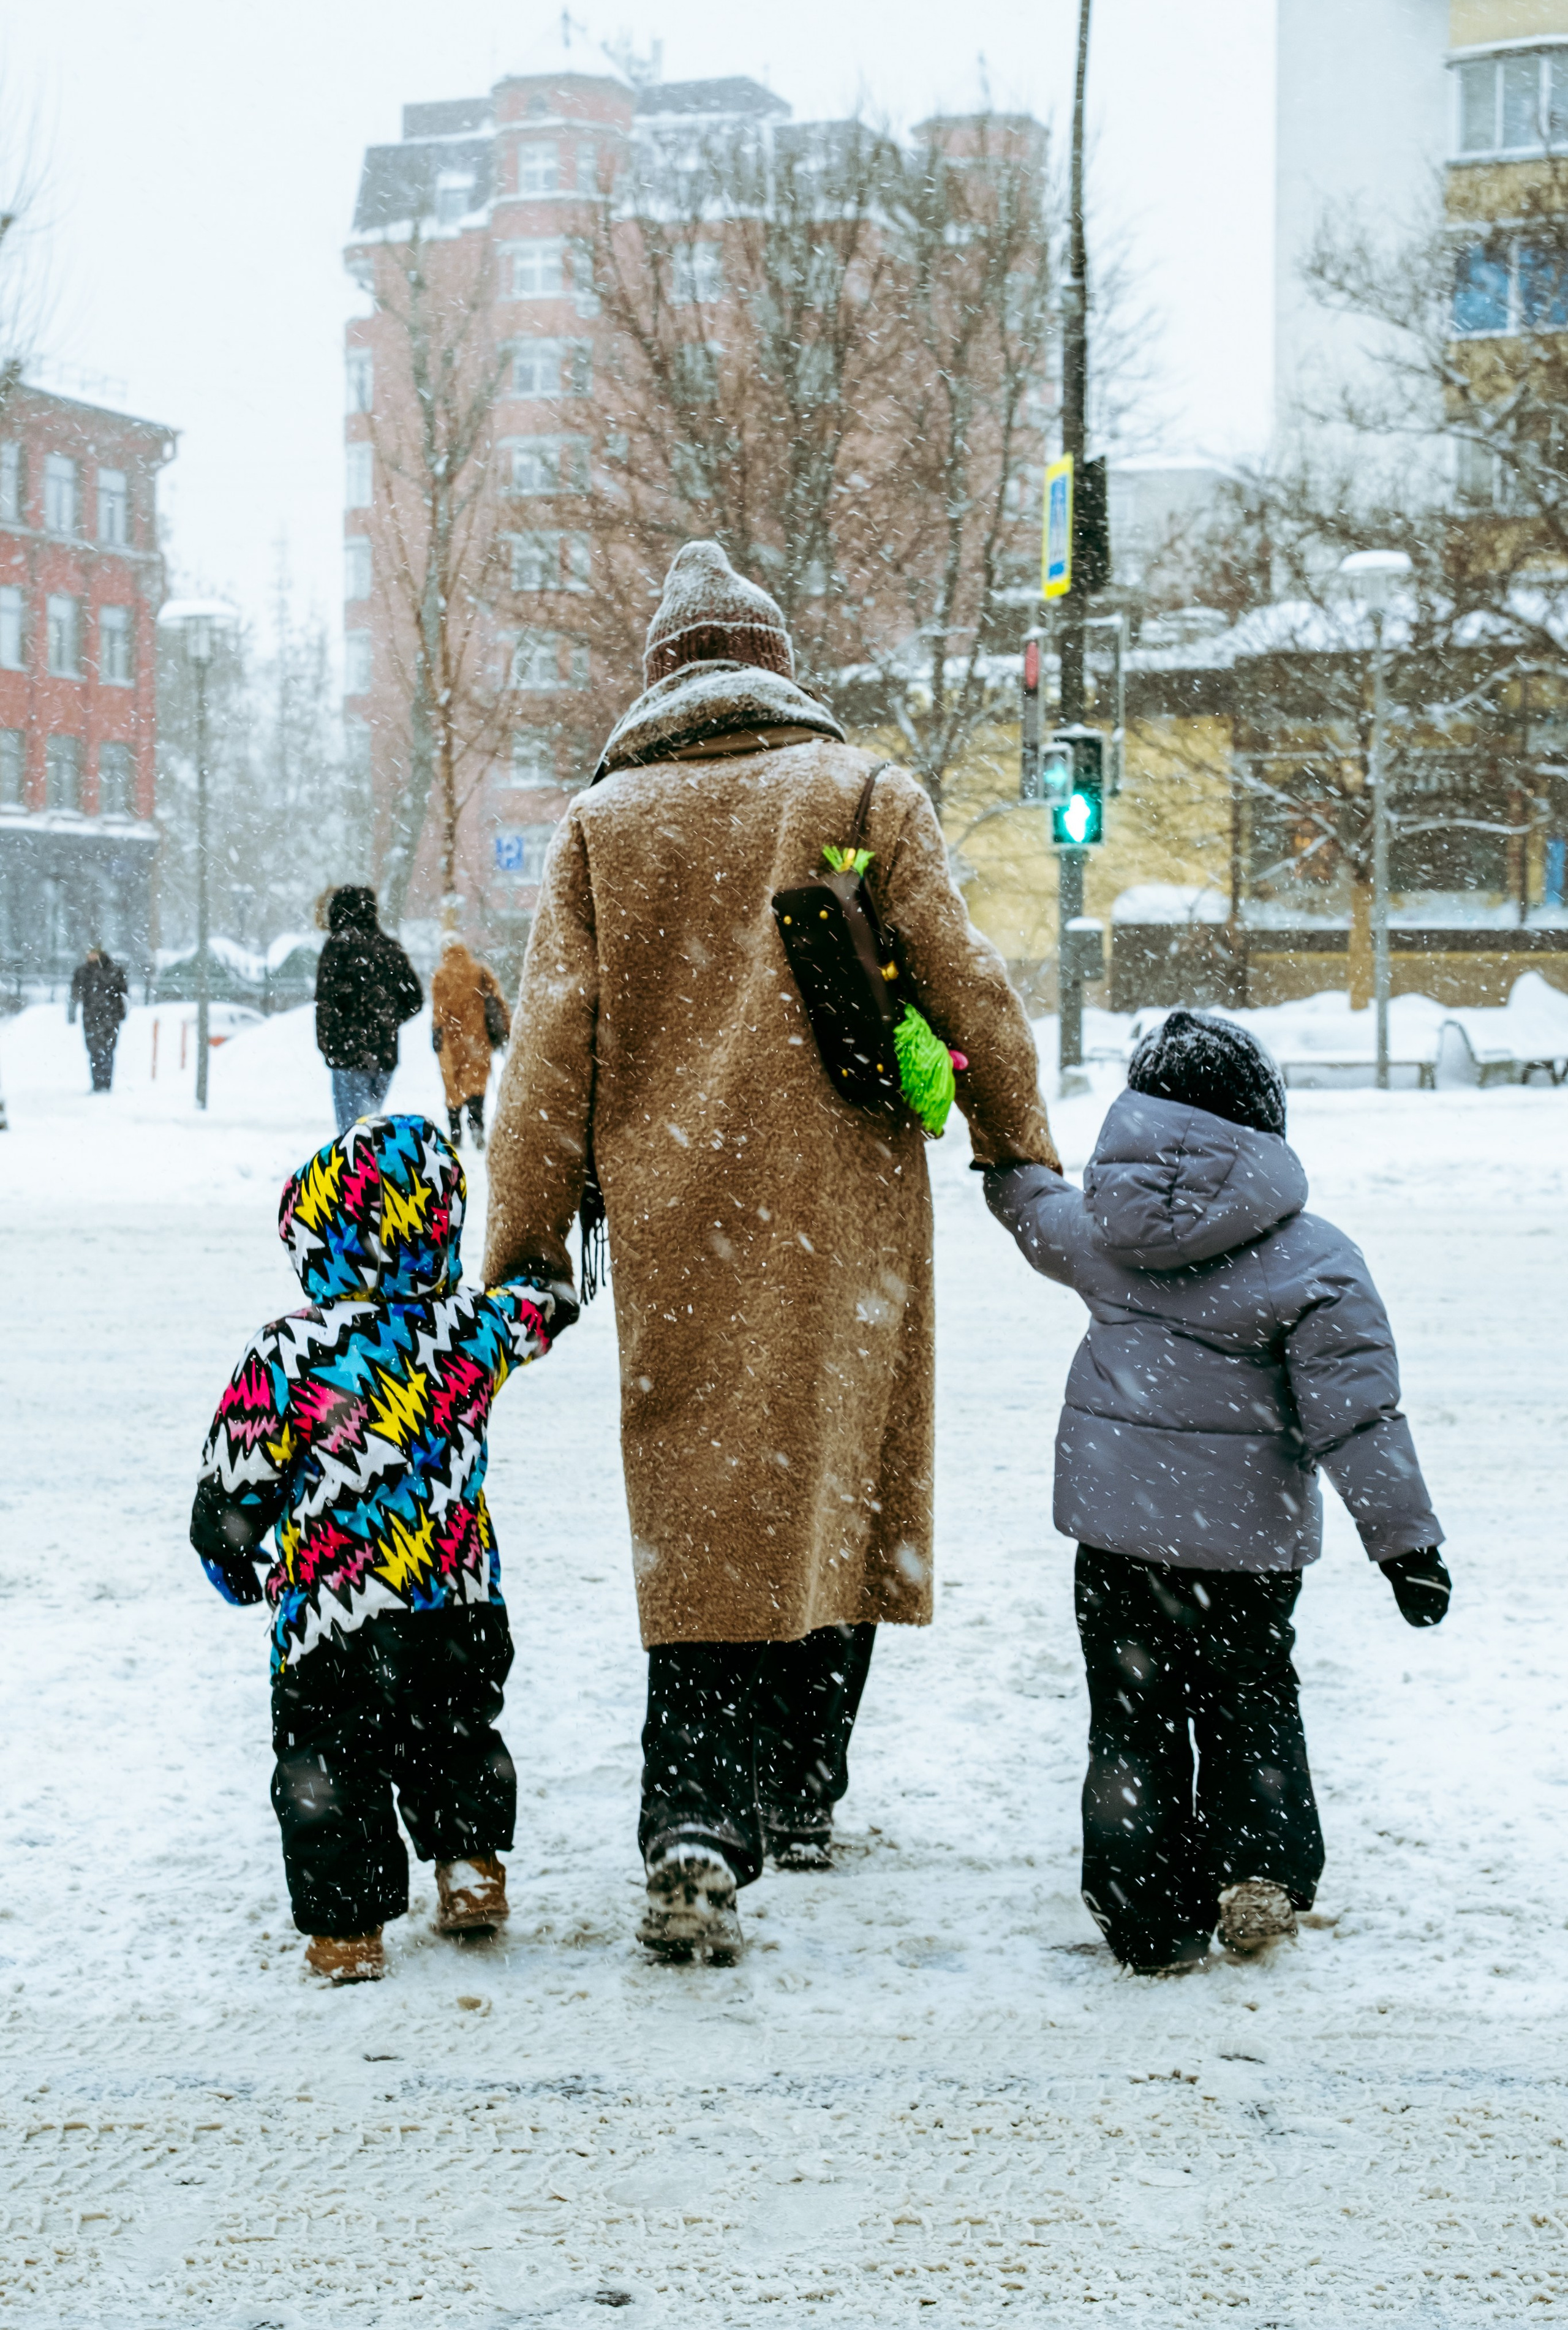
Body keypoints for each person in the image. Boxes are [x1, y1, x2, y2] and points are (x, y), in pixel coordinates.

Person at [484, 538, 1059, 1962]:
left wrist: (525, 1244)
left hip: (678, 1219)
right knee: (833, 1486)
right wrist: (1014, 1148)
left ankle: (694, 1817)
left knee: (703, 1507)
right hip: (843, 1212)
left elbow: (548, 1057)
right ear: (775, 666)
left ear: (658, 679)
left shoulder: (602, 827)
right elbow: (963, 983)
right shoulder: (859, 792)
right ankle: (800, 1787)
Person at [984, 1008, 1450, 1975]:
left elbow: (1035, 1211)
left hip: (1119, 1541)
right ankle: (1261, 1866)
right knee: (1251, 1705)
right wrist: (1405, 1544)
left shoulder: (1103, 1233)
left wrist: (1002, 1154)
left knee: (1131, 1722)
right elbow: (1359, 1415)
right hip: (1248, 1548)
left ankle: (1144, 1915)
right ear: (1264, 1121)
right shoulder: (1314, 1256)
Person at [189, 1112, 567, 1983]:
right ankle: (471, 1868)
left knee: (329, 1765)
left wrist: (227, 1546)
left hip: (333, 1619)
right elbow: (536, 1311)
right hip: (458, 1602)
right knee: (457, 1735)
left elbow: (238, 1474)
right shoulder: (468, 1333)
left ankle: (346, 1929)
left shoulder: (290, 1351)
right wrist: (547, 1279)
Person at [314, 885, 423, 1136]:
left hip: (347, 1055)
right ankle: (374, 1171)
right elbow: (415, 998)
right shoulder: (390, 949)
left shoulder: (336, 948)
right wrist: (388, 1020)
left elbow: (325, 1003)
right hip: (384, 1055)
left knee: (352, 1139)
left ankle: (360, 1173)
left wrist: (328, 1045)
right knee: (370, 1130)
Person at [431, 935, 510, 1150]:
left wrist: (436, 1032)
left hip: (451, 1040)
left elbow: (439, 1010)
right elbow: (498, 1001)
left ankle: (455, 1132)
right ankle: (477, 1125)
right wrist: (506, 1029)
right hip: (478, 1039)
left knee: (453, 1086)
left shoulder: (441, 975)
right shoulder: (480, 971)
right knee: (476, 1083)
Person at [69, 945, 129, 1093]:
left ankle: (106, 1084)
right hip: (91, 1017)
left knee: (108, 1050)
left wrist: (121, 1013)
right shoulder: (83, 971)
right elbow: (75, 993)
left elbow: (123, 993)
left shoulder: (113, 970)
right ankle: (97, 1083)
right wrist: (71, 1012)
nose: (91, 957)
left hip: (110, 1016)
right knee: (94, 1050)